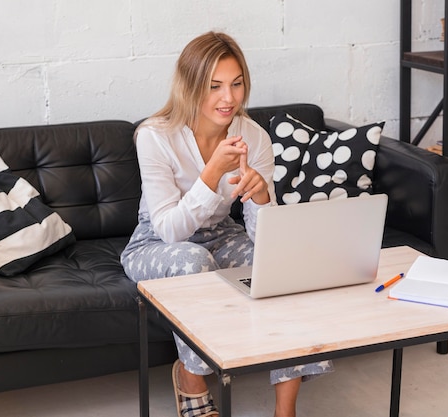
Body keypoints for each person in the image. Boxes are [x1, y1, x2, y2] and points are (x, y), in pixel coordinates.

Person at [121, 31, 332, 417]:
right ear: (190, 86)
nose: (229, 98)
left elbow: (266, 239)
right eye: (214, 86)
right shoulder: (154, 136)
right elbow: (169, 229)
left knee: (280, 268)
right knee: (192, 261)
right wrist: (210, 174)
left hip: (222, 234)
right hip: (155, 240)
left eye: (236, 84)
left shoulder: (254, 136)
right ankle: (191, 378)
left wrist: (263, 197)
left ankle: (286, 411)